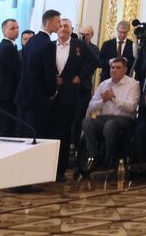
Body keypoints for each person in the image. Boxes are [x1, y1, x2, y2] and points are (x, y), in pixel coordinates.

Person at [46, 17, 92, 180]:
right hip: (50, 98)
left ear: (72, 29)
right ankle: (46, 168)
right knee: (48, 132)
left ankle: (60, 170)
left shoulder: (79, 46)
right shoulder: (49, 46)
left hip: (69, 97)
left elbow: (93, 61)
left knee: (64, 134)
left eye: (67, 26)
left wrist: (80, 76)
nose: (63, 28)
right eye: (61, 25)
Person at [80, 56, 140, 172]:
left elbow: (132, 107)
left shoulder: (133, 84)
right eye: (112, 67)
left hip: (123, 119)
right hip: (103, 117)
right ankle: (95, 155)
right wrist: (103, 100)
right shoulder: (104, 84)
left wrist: (114, 99)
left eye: (118, 68)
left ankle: (109, 159)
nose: (114, 70)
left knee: (110, 125)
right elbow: (91, 106)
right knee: (87, 122)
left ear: (125, 70)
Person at [16, 9, 60, 138]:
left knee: (23, 132)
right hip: (37, 96)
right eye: (57, 22)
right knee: (34, 133)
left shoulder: (32, 41)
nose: (59, 25)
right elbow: (49, 71)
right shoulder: (48, 44)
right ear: (48, 23)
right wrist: (53, 91)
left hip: (24, 93)